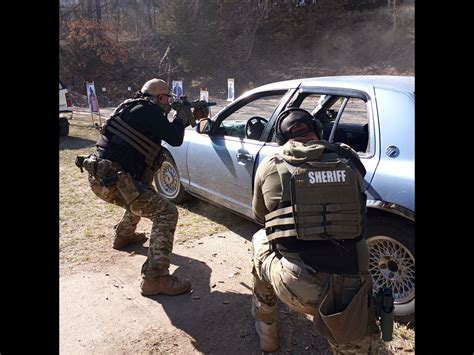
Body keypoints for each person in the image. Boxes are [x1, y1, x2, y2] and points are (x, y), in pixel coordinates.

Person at [250, 108, 384, 354]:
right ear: (318, 131)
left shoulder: (270, 163)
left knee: (260, 239)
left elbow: (260, 217)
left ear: (282, 139)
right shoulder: (348, 158)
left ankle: (267, 330)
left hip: (297, 285)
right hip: (352, 288)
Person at [76, 78, 208, 296]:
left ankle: (124, 235)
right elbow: (174, 138)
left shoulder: (133, 107)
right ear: (158, 97)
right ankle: (155, 278)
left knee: (141, 191)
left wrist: (180, 118)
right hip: (115, 181)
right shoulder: (148, 110)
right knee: (166, 212)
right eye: (166, 98)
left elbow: (158, 133)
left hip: (102, 177)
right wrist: (182, 118)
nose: (168, 103)